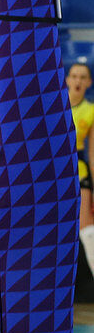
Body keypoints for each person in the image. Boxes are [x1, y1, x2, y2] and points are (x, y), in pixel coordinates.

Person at [68, 63, 94, 275]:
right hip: (52, 170)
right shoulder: (53, 107)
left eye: (83, 77)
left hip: (79, 170)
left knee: (87, 230)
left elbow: (92, 153)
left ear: (89, 82)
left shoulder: (91, 111)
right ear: (67, 80)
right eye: (74, 76)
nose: (78, 81)